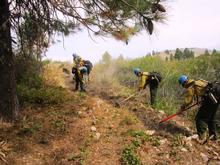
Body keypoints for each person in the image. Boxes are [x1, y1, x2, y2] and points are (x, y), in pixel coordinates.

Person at [178, 75, 219, 142]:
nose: (183, 86)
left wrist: (182, 107)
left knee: (200, 119)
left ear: (184, 83)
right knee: (211, 119)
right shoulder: (199, 81)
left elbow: (188, 101)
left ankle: (202, 137)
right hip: (216, 100)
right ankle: (213, 137)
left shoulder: (190, 87)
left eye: (182, 85)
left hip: (210, 101)